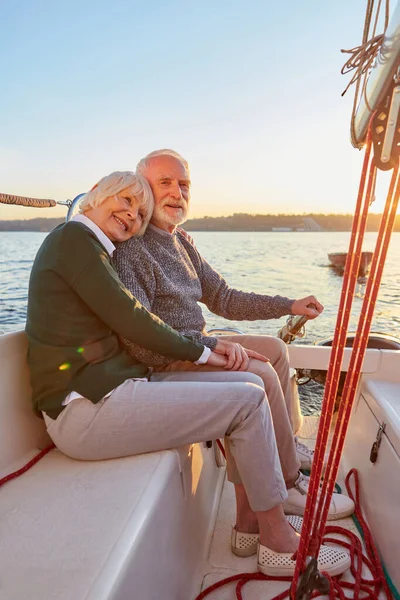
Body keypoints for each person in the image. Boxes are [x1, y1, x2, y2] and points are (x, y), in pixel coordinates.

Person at [25, 170, 351, 577]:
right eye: (123, 200)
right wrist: (206, 352)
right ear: (94, 195)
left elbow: (205, 301)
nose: (130, 214)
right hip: (85, 410)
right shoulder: (75, 240)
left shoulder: (94, 247)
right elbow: (134, 320)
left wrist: (215, 346)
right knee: (249, 398)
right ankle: (278, 541)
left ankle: (253, 523)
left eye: (138, 210)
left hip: (111, 392)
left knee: (250, 386)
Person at [112, 150, 331, 478]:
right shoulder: (132, 247)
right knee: (262, 374)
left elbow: (224, 298)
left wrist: (289, 305)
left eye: (184, 184)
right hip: (165, 360)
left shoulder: (181, 241)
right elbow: (140, 343)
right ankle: (287, 480)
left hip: (197, 346)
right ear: (142, 189)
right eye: (165, 183)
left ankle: (285, 444)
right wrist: (208, 349)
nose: (177, 192)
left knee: (277, 351)